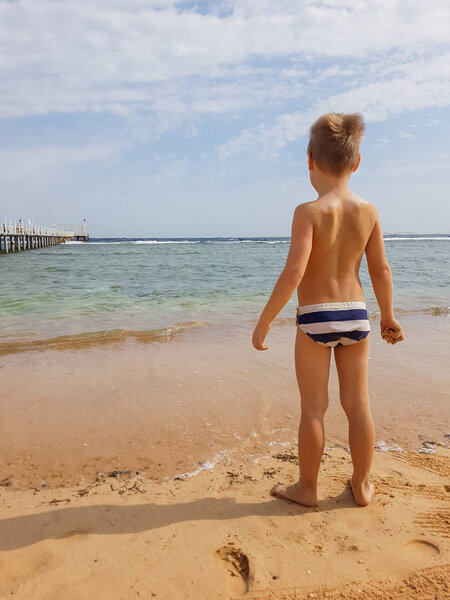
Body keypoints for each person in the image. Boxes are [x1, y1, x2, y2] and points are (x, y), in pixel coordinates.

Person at [251, 112, 404, 508]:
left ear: (309, 160)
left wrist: (265, 322)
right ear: (356, 162)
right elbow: (381, 269)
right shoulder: (368, 211)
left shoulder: (308, 212)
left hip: (315, 317)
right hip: (356, 313)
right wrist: (387, 315)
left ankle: (307, 488)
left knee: (314, 409)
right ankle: (363, 485)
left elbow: (294, 271)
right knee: (357, 404)